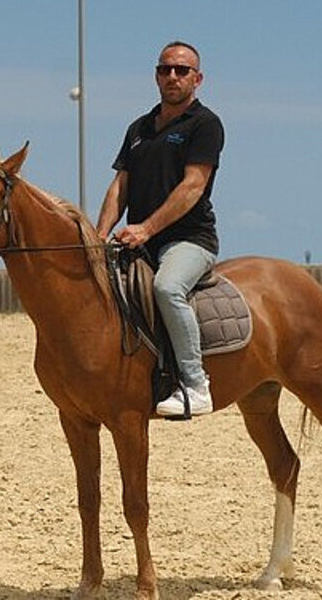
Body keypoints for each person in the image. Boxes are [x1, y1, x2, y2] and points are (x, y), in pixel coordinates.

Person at [95, 41, 224, 417]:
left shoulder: (205, 124)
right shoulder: (139, 128)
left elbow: (192, 187)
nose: (172, 76)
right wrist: (99, 235)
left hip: (188, 240)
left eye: (181, 71)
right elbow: (120, 186)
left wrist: (146, 229)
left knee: (167, 288)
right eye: (165, 69)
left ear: (197, 79)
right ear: (156, 75)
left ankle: (195, 383)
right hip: (140, 240)